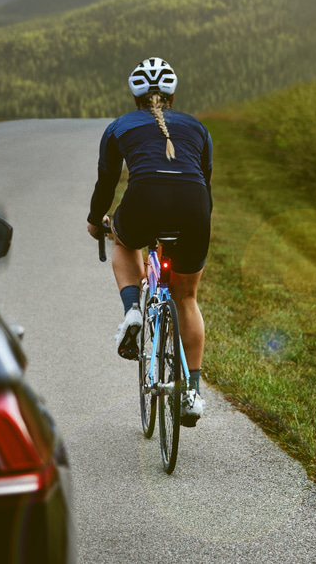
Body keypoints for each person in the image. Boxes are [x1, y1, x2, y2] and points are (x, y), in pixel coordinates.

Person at [87, 57, 212, 426]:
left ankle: (133, 311)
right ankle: (191, 392)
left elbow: (106, 183)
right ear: (172, 94)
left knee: (124, 243)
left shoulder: (118, 127)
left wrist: (98, 222)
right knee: (186, 297)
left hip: (143, 202)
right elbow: (205, 183)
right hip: (194, 208)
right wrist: (201, 222)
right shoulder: (198, 128)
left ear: (135, 96)